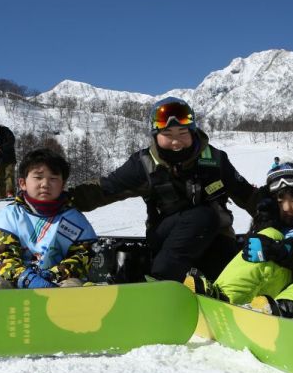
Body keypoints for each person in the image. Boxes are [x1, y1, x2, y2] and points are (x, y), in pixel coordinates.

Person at [69, 97, 262, 282]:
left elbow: (247, 195)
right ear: (155, 135)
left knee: (221, 273)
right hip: (165, 238)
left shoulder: (215, 160)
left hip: (216, 238)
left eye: (182, 133)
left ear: (193, 132)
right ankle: (160, 279)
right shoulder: (143, 165)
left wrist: (277, 210)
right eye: (168, 135)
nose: (176, 142)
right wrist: (60, 199)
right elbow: (105, 189)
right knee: (203, 215)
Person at [186, 162, 293, 327]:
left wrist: (281, 249)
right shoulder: (269, 227)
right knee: (266, 237)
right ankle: (220, 298)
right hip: (266, 297)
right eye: (280, 201)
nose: (287, 208)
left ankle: (290, 313)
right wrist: (264, 224)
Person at [0, 148, 97, 289]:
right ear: (23, 183)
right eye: (38, 177)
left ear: (63, 185)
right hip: (14, 281)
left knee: (73, 287)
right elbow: (2, 256)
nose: (45, 184)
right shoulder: (10, 216)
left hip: (59, 281)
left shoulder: (74, 219)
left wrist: (54, 275)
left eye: (53, 178)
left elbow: (82, 256)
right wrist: (25, 277)